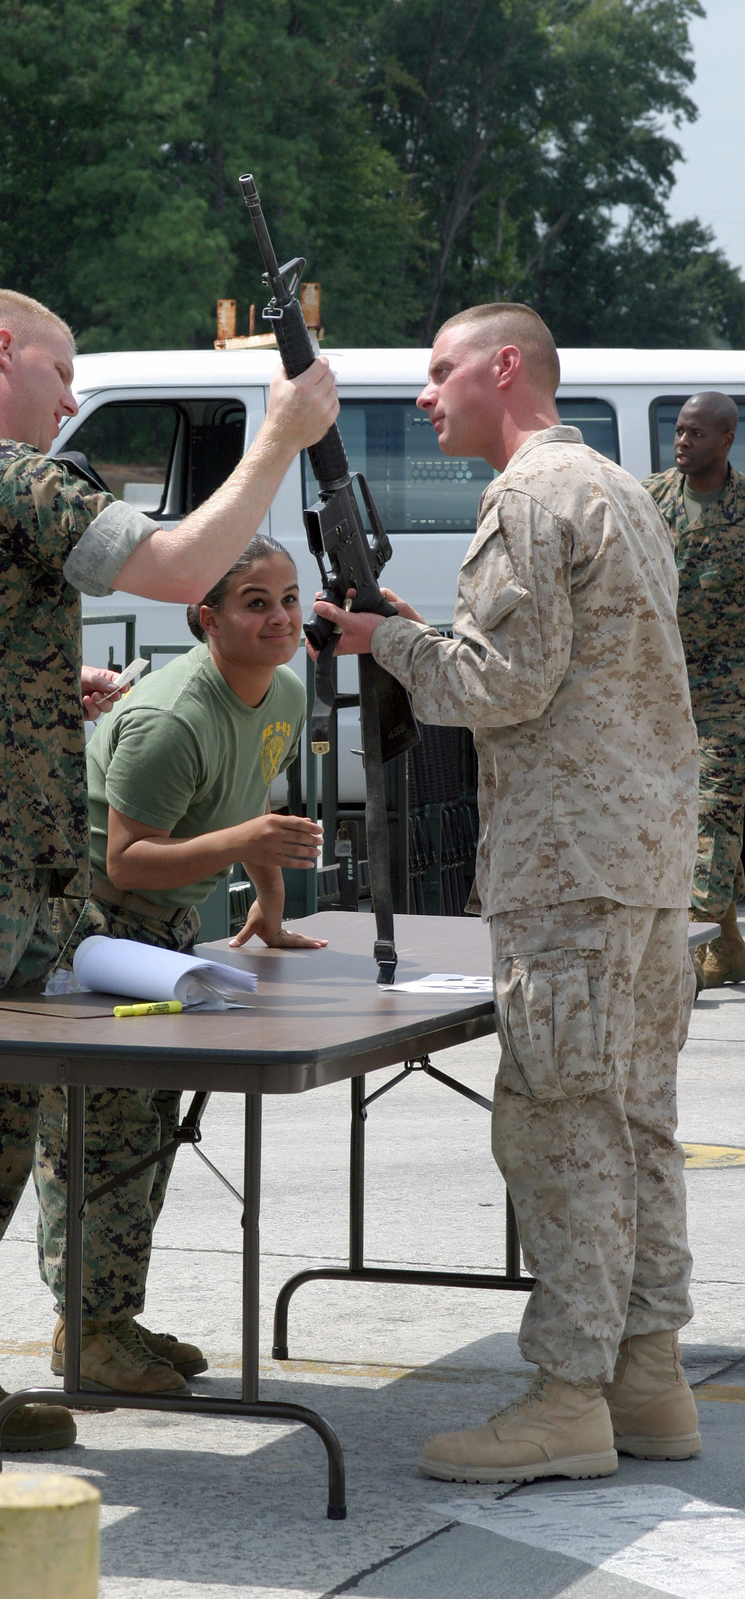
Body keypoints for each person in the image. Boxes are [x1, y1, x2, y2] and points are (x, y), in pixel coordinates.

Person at [0, 288, 339, 1486]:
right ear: (0, 350)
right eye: (61, 373)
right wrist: (278, 434)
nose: (68, 401)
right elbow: (174, 567)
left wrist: (51, 700)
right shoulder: (2, 473)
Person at [312, 302, 700, 1485]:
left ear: (505, 367)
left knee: (559, 1128)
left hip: (566, 870)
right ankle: (646, 1377)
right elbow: (560, 663)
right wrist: (419, 632)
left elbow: (503, 685)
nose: (423, 396)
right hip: (636, 860)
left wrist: (379, 643)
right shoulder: (614, 487)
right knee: (630, 1121)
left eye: (437, 372)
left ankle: (566, 1398)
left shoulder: (526, 497)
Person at [36, 535, 326, 1395]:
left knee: (153, 1136)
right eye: (254, 603)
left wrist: (267, 904)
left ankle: (108, 1321)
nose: (279, 619)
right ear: (206, 619)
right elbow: (125, 860)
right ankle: (86, 1335)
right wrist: (241, 845)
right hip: (95, 936)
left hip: (162, 937)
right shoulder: (169, 717)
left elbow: (251, 803)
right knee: (101, 1144)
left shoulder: (285, 694)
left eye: (287, 598)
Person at [643, 392, 745, 991]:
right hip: (661, 691)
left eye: (696, 435)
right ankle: (728, 947)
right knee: (672, 814)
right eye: (679, 432)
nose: (683, 442)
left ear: (726, 440)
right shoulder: (649, 499)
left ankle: (685, 951)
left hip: (731, 698)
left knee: (714, 812)